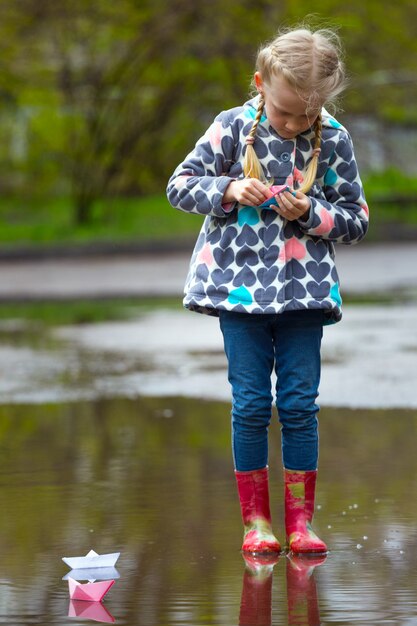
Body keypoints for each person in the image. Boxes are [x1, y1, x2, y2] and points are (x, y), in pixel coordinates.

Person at [166, 26, 369, 555]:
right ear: (260, 84)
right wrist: (229, 188)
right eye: (284, 113)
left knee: (300, 405)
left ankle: (300, 524)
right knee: (251, 404)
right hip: (239, 293)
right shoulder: (230, 128)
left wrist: (313, 213)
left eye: (306, 115)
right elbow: (180, 186)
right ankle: (256, 523)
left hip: (305, 294)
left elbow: (356, 219)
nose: (296, 124)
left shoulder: (335, 139)